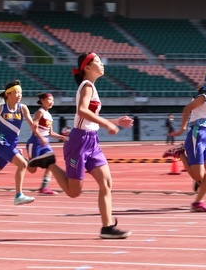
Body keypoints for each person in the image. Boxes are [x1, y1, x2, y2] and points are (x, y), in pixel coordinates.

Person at [28, 52, 133, 239]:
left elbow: (89, 119)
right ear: (87, 67)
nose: (102, 64)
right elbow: (82, 111)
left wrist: (115, 121)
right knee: (74, 192)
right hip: (79, 142)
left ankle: (107, 227)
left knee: (106, 182)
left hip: (92, 141)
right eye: (98, 62)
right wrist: (107, 124)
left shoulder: (92, 87)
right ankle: (49, 162)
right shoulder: (86, 86)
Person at [162, 69, 206, 212]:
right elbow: (186, 109)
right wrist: (182, 128)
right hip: (196, 134)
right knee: (197, 176)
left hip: (205, 135)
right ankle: (181, 153)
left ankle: (197, 203)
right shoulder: (204, 96)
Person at [26, 92, 68, 195]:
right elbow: (33, 127)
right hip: (35, 142)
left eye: (53, 100)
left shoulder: (49, 115)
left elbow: (50, 133)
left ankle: (44, 187)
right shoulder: (40, 112)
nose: (51, 102)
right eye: (49, 100)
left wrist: (63, 137)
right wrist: (41, 138)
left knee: (51, 163)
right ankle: (18, 157)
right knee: (32, 170)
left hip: (45, 143)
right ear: (42, 101)